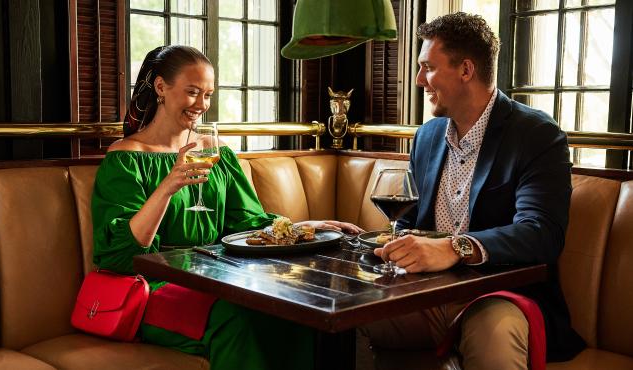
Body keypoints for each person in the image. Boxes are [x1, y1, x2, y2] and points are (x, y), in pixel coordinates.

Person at [91, 45, 362, 370]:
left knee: (294, 310)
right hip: (153, 289)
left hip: (216, 281)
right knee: (237, 317)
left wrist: (307, 226)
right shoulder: (127, 157)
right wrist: (168, 186)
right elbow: (122, 255)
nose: (201, 105)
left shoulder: (214, 152)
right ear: (161, 87)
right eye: (192, 92)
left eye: (207, 95)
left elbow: (245, 223)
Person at [361, 12, 585, 370]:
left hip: (502, 296)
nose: (419, 80)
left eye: (428, 68)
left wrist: (455, 248)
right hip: (426, 293)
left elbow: (541, 233)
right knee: (349, 317)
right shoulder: (427, 137)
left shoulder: (536, 134)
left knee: (492, 333)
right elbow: (411, 223)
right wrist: (387, 244)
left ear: (466, 70)